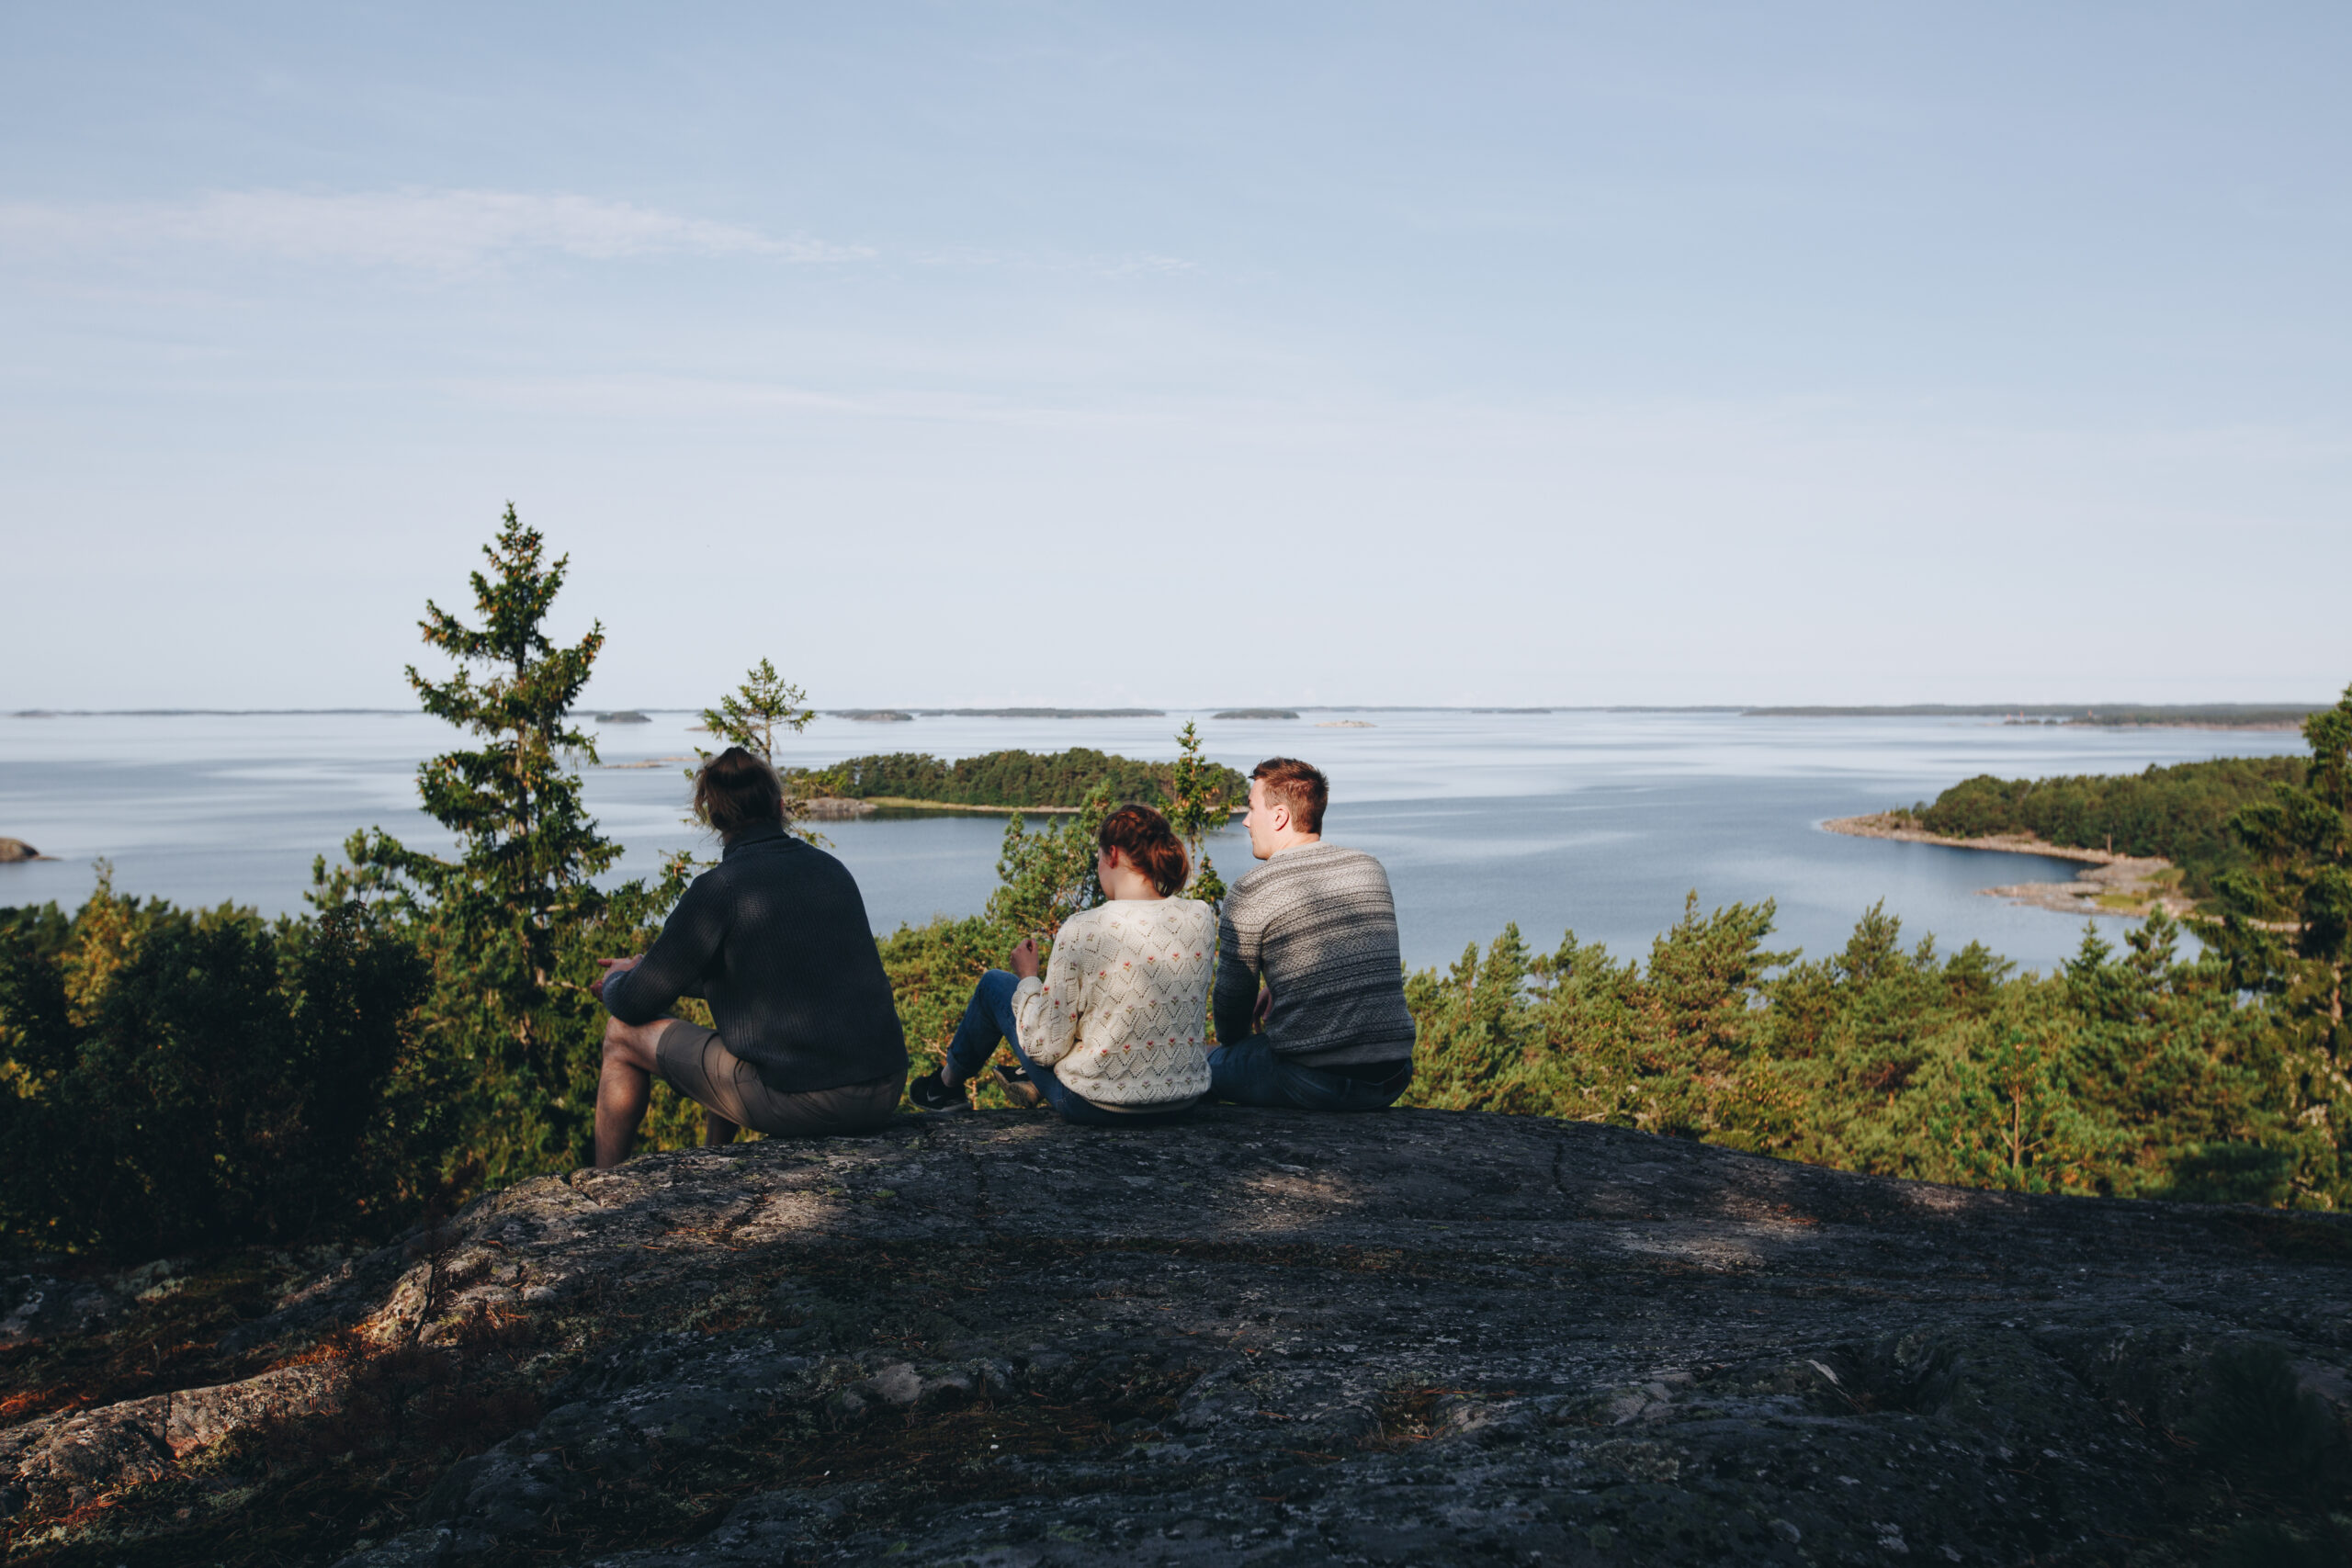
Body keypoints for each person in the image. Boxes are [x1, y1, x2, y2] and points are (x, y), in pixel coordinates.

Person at [592, 747, 907, 1166]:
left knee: (620, 1035)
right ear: (779, 807)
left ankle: (602, 1190)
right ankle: (715, 1167)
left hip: (810, 1102)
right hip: (885, 1089)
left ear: (716, 820)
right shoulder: (831, 870)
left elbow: (633, 1004)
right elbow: (766, 982)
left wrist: (618, 980)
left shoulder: (720, 888)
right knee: (729, 1039)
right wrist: (647, 969)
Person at [909, 803, 1215, 1125]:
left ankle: (943, 1089)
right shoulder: (1199, 916)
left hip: (1094, 1105)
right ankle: (1021, 1077)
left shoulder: (1084, 928)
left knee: (994, 985)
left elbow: (1044, 1048)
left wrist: (1028, 978)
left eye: (1099, 859)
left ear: (1112, 855)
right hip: (1183, 1099)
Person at [1208, 756, 1416, 1111]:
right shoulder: (1369, 867)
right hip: (1392, 1076)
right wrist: (1281, 987)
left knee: (1201, 1065)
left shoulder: (1252, 889)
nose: (1244, 821)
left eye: (1251, 808)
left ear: (1279, 817)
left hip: (1314, 1081)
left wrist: (1236, 1049)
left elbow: (1231, 1012)